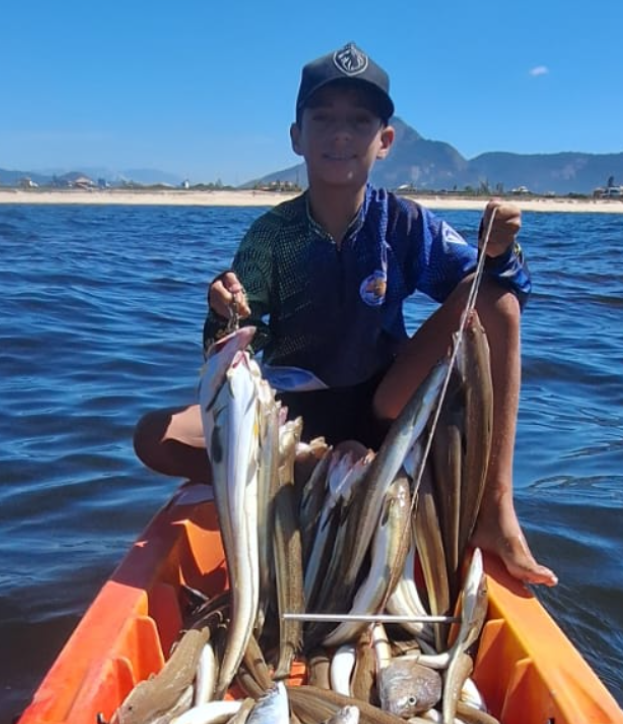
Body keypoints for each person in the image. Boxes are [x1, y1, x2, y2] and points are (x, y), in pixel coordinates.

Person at [134, 42, 557, 587]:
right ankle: (315, 468)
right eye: (323, 119)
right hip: (288, 418)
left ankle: (497, 511)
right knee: (152, 436)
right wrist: (222, 311)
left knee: (494, 297)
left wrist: (500, 255)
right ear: (297, 137)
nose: (340, 135)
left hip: (384, 408)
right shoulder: (271, 237)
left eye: (359, 121)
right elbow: (229, 351)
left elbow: (504, 292)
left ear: (384, 142)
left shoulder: (404, 224)